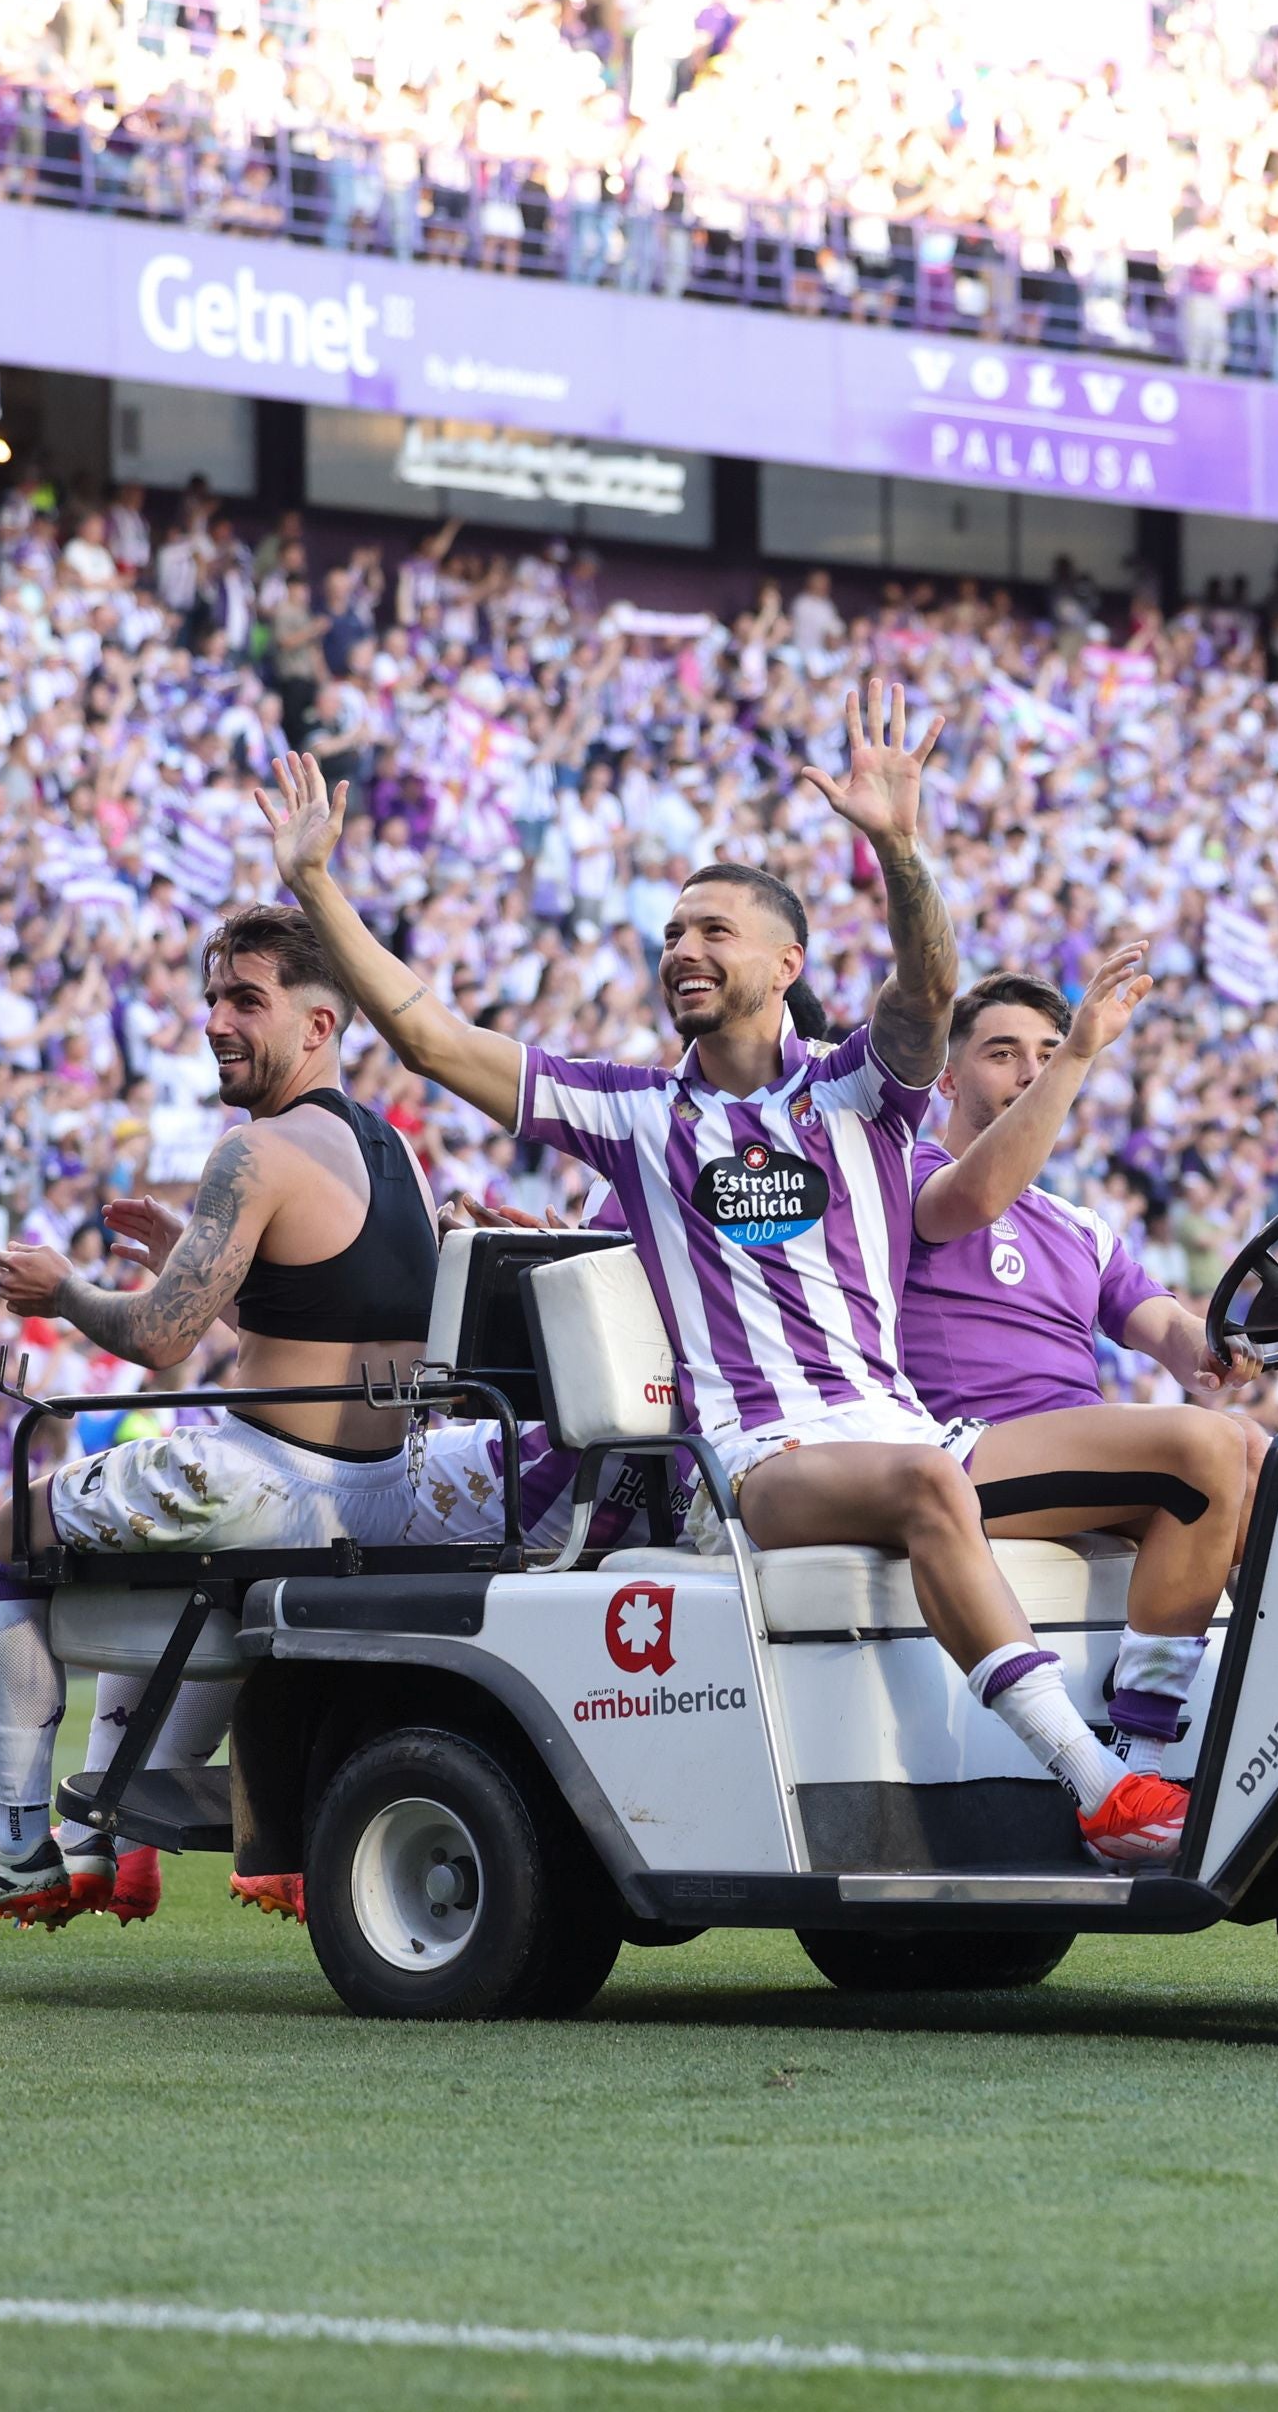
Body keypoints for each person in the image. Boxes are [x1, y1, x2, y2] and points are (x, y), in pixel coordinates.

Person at [257, 682, 1195, 1866]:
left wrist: (899, 847)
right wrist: (315, 886)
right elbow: (432, 1037)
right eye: (671, 935)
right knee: (923, 1488)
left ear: (785, 961)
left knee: (1203, 1452)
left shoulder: (862, 1090)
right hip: (756, 1461)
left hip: (906, 1427)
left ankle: (1170, 1754)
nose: (684, 950)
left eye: (712, 932)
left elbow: (927, 991)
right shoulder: (635, 1112)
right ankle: (1097, 1783)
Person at [0, 902, 538, 1929]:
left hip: (272, 1478)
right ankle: (102, 1836)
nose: (216, 1020)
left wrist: (65, 1289)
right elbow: (327, 1307)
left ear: (318, 1023)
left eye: (248, 999)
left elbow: (162, 1340)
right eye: (211, 999)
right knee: (196, 1583)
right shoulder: (393, 1152)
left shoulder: (254, 1153)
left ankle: (22, 1840)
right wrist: (192, 1256)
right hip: (385, 1491)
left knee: (5, 1537)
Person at [893, 963, 1266, 1783]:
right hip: (955, 1453)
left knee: (1263, 1456)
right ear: (948, 1077)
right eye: (1003, 1053)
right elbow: (980, 1194)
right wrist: (1079, 1057)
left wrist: (1217, 1344)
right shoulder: (903, 1176)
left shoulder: (1076, 1224)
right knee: (1206, 1446)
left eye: (1047, 1051)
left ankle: (1274, 1727)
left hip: (1065, 1455)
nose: (1029, 1069)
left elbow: (1164, 1325)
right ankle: (1142, 1755)